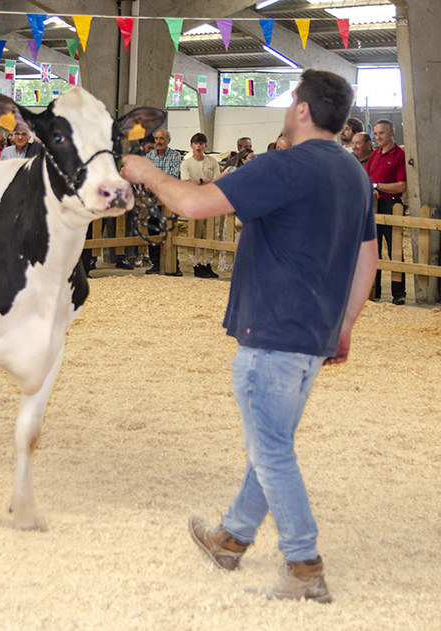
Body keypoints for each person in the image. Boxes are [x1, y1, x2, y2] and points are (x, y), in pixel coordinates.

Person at [121, 69, 378, 605]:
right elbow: (366, 257)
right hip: (314, 333)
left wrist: (146, 172)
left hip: (273, 332)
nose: (288, 110)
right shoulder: (354, 173)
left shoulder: (284, 164)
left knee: (272, 449)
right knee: (271, 441)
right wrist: (346, 324)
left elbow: (193, 204)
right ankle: (232, 538)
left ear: (304, 111)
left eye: (291, 102)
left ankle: (304, 564)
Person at [365, 118, 407, 305]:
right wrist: (370, 187)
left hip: (391, 205)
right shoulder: (374, 155)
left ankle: (399, 293)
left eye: (382, 132)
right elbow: (366, 178)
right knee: (374, 250)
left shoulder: (399, 155)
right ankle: (376, 291)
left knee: (394, 249)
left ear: (392, 133)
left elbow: (402, 185)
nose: (378, 136)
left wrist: (377, 185)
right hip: (374, 205)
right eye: (376, 133)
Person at [180, 132, 221, 278]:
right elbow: (186, 182)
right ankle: (196, 264)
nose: (198, 146)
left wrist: (200, 181)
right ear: (191, 145)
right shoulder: (186, 164)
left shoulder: (212, 162)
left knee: (211, 232)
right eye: (196, 143)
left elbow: (219, 180)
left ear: (205, 146)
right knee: (195, 232)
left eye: (201, 143)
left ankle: (208, 263)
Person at [144, 128, 181, 275]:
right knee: (152, 228)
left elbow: (172, 176)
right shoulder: (149, 157)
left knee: (170, 229)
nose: (159, 142)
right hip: (153, 200)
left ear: (168, 141)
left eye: (162, 139)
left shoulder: (175, 155)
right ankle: (156, 263)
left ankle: (174, 264)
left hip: (169, 199)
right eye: (157, 139)